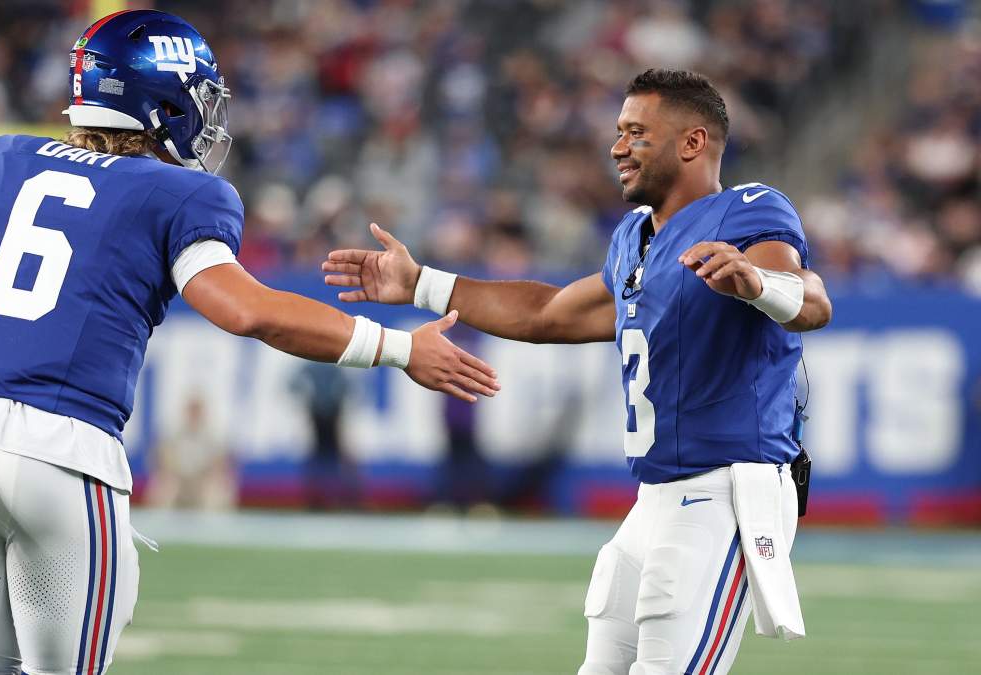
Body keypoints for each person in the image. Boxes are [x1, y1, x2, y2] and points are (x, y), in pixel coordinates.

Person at [0, 10, 499, 675]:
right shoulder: (176, 193)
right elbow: (247, 311)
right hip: (65, 453)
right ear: (163, 102)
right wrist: (400, 348)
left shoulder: (1, 160)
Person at [322, 68, 832, 675]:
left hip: (725, 490)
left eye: (637, 132)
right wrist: (420, 284)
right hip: (656, 497)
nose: (617, 147)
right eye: (619, 131)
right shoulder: (635, 238)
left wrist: (758, 283)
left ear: (692, 143)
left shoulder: (746, 212)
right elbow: (547, 313)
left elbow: (811, 299)